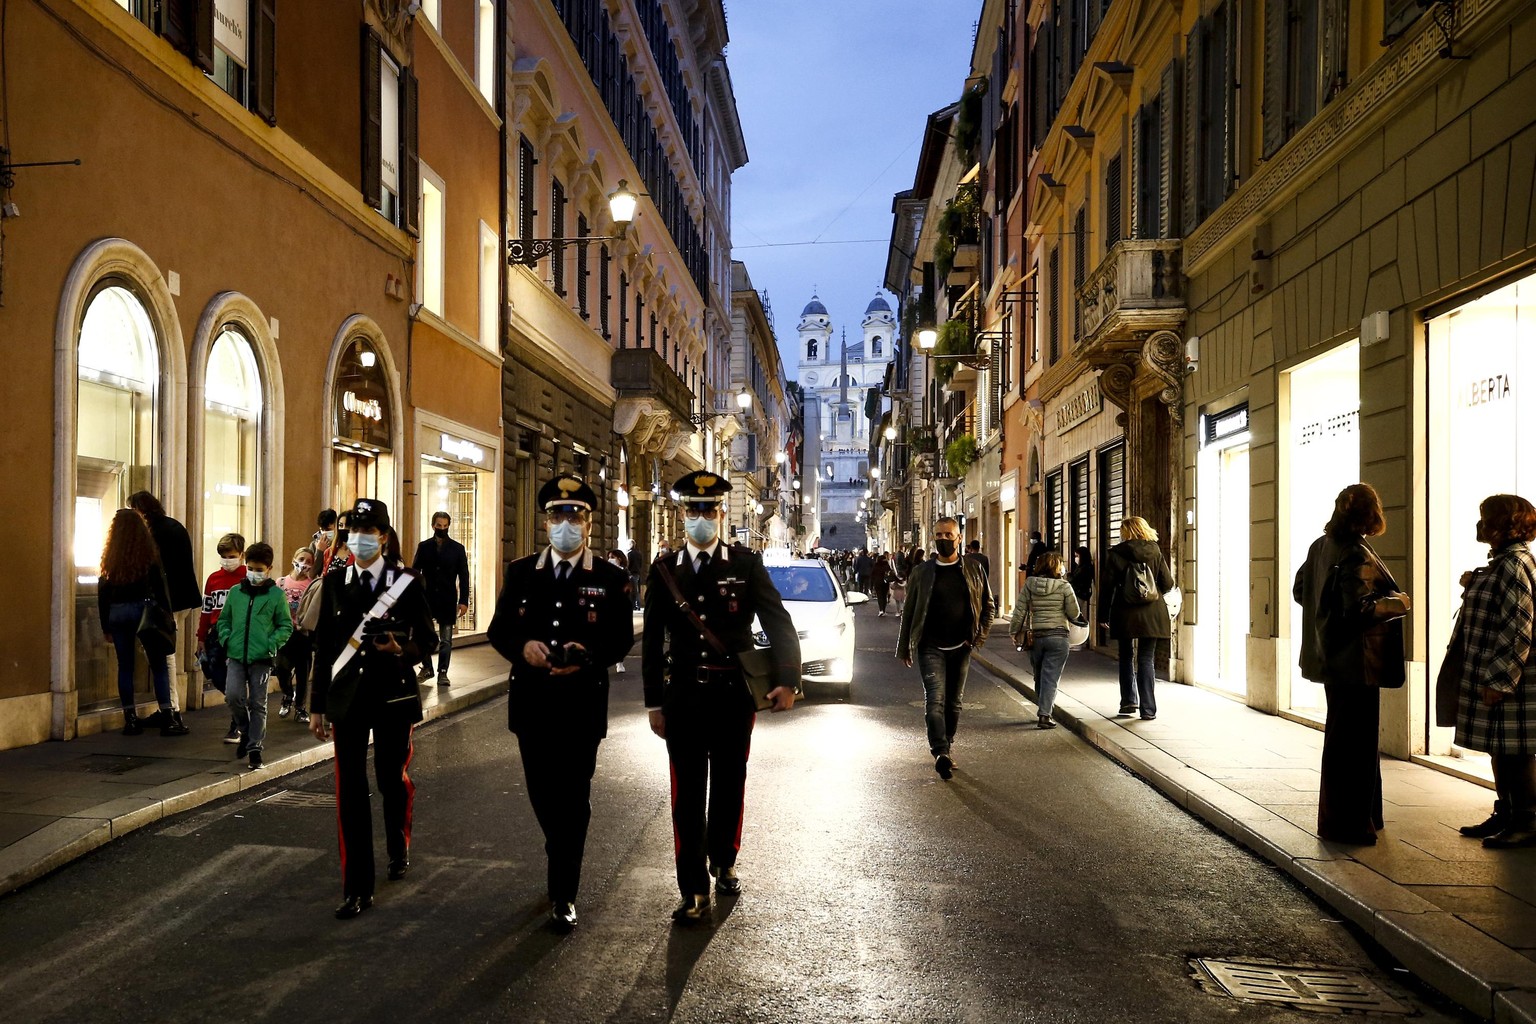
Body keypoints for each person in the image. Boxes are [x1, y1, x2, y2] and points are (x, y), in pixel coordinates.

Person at [642, 470, 800, 924]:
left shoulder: (745, 565)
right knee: (686, 795)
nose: (701, 517)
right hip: (685, 698)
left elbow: (778, 621)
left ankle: (724, 858)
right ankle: (692, 890)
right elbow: (652, 642)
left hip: (732, 697)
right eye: (692, 509)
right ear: (681, 514)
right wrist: (654, 703)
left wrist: (787, 680)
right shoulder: (664, 571)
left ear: (722, 514)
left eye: (708, 509)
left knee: (730, 784)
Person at [487, 476, 636, 932]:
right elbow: (497, 630)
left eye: (575, 516)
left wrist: (587, 655)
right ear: (546, 521)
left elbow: (620, 638)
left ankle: (564, 892)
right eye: (557, 516)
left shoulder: (610, 579)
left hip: (580, 706)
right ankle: (560, 849)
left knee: (574, 797)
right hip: (532, 706)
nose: (565, 524)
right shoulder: (521, 572)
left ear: (590, 524)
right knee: (542, 794)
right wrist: (523, 647)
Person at [308, 498, 438, 919]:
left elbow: (429, 641)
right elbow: (325, 647)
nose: (360, 540)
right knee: (349, 791)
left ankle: (398, 840)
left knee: (389, 778)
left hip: (393, 697)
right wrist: (317, 705)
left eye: (369, 533)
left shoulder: (405, 582)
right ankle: (357, 887)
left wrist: (402, 649)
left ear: (383, 536)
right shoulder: (334, 582)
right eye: (353, 534)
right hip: (347, 699)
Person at [1292, 483, 1410, 846]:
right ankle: (1349, 824)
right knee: (1356, 746)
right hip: (1357, 663)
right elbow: (1360, 608)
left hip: (1333, 660)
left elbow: (1300, 590)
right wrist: (1400, 602)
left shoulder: (1320, 546)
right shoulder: (1355, 552)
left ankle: (1364, 817)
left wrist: (1323, 613)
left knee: (1347, 742)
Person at [1445, 494, 1536, 849]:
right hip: (1497, 674)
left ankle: (1527, 821)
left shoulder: (1514, 565)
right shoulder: (1502, 563)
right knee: (1501, 748)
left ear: (1503, 525)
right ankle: (1507, 813)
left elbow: (1518, 625)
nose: (1479, 525)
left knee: (1515, 750)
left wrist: (1500, 679)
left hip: (1513, 680)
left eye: (1485, 519)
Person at [897, 516, 995, 779]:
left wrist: (977, 639)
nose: (943, 540)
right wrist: (904, 646)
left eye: (948, 536)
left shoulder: (974, 570)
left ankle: (946, 746)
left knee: (954, 704)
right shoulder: (921, 572)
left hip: (961, 647)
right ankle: (940, 750)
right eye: (938, 536)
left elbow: (988, 607)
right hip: (930, 646)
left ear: (958, 538)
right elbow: (909, 612)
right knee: (934, 701)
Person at [97, 508, 186, 736]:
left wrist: (106, 625)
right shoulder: (148, 556)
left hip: (117, 612)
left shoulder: (111, 558)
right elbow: (160, 588)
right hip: (145, 611)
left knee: (125, 666)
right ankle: (167, 717)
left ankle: (131, 719)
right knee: (158, 665)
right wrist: (167, 616)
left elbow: (103, 592)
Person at [217, 542, 293, 770]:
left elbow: (285, 626)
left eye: (259, 569)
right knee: (232, 696)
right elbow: (224, 620)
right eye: (251, 568)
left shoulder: (276, 596)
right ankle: (245, 729)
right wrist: (227, 638)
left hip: (261, 658)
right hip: (236, 655)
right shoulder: (236, 593)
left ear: (269, 569)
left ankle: (254, 749)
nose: (254, 573)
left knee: (258, 703)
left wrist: (271, 644)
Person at [128, 490, 200, 725]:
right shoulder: (173, 526)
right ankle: (170, 708)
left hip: (166, 602)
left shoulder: (153, 533)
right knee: (167, 652)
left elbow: (156, 571)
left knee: (164, 655)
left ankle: (171, 710)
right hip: (182, 599)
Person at [1100, 517, 1175, 720]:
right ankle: (1148, 709)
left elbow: (1106, 587)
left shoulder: (1116, 554)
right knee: (1146, 659)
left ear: (1126, 532)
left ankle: (1128, 702)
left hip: (1124, 612)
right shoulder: (1155, 551)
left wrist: (1103, 614)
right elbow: (1167, 583)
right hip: (1152, 612)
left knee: (1125, 656)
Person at [1009, 551, 1080, 729]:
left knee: (1039, 675)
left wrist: (1014, 632)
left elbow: (1019, 610)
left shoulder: (1030, 584)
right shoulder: (1064, 586)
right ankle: (1045, 714)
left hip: (1036, 638)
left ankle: (1043, 707)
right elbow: (1074, 613)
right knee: (1051, 677)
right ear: (1058, 567)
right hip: (1058, 638)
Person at [412, 511, 471, 687]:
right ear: (433, 526)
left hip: (447, 598)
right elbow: (415, 572)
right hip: (427, 598)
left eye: (445, 526)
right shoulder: (424, 547)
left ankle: (443, 672)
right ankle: (427, 667)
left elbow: (464, 576)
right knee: (422, 634)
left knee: (446, 639)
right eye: (439, 526)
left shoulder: (457, 549)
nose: (442, 529)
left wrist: (464, 600)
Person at [198, 532, 247, 744]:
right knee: (213, 671)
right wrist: (201, 637)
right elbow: (206, 610)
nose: (227, 560)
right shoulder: (214, 579)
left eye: (231, 556)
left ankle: (237, 723)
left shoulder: (247, 577)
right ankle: (238, 705)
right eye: (224, 556)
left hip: (240, 633)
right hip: (217, 633)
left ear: (241, 555)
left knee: (235, 676)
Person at [274, 547, 317, 724]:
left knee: (302, 671)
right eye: (301, 559)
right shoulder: (281, 582)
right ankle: (287, 694)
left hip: (303, 634)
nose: (304, 564)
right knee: (281, 668)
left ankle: (300, 707)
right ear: (293, 559)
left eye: (309, 561)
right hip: (284, 633)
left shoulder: (311, 584)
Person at [1068, 546, 1096, 629]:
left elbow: (1075, 580)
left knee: (1076, 614)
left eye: (1077, 556)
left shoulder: (1086, 568)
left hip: (1080, 594)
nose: (1076, 558)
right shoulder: (1080, 567)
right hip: (1078, 593)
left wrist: (1069, 575)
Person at [965, 540, 994, 607]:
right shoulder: (984, 558)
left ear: (971, 547)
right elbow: (986, 572)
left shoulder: (966, 558)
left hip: (969, 583)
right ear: (979, 547)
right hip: (981, 583)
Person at [871, 552, 892, 617]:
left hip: (877, 583)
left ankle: (881, 610)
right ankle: (884, 610)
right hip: (885, 583)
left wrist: (871, 585)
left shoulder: (875, 565)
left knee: (879, 596)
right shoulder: (887, 565)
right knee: (884, 596)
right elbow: (890, 573)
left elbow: (872, 575)